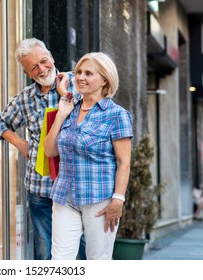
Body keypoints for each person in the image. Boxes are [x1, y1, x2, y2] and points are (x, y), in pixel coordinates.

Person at [0, 38, 82, 260]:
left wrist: (64, 94)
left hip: (75, 185)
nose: (42, 69)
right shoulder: (25, 98)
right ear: (28, 73)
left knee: (79, 253)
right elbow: (0, 123)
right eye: (34, 67)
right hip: (40, 189)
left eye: (44, 61)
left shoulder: (78, 83)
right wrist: (21, 143)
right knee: (45, 254)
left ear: (51, 56)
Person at [43, 52, 133, 260]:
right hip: (65, 196)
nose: (81, 77)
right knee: (59, 261)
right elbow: (49, 151)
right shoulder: (69, 108)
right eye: (79, 72)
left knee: (98, 261)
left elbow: (124, 162)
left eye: (88, 73)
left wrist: (117, 201)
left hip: (99, 199)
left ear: (104, 80)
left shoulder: (116, 115)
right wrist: (61, 115)